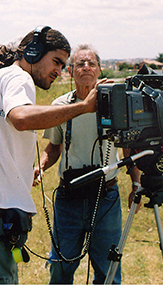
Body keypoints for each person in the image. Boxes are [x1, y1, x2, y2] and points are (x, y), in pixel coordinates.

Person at [0, 26, 100, 284]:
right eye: (56, 62)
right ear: (33, 52)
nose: (59, 71)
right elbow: (19, 118)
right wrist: (83, 108)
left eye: (63, 66)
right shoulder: (19, 78)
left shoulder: (1, 77)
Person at [34, 45, 142, 284]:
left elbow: (129, 148)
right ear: (70, 71)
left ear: (100, 70)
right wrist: (40, 167)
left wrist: (136, 183)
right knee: (61, 267)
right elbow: (53, 147)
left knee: (108, 270)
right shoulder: (60, 106)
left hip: (106, 196)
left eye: (91, 63)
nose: (86, 68)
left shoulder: (116, 104)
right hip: (69, 198)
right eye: (80, 64)